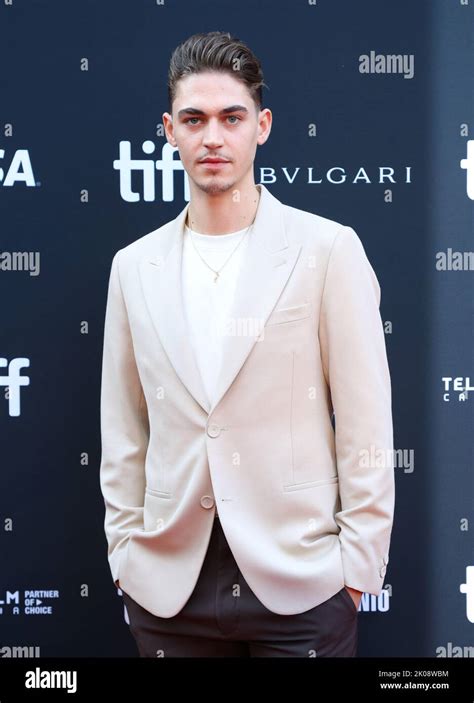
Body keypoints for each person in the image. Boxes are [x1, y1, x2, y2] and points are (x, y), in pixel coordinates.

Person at [99, 30, 395, 657]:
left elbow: (366, 426)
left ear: (261, 126)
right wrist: (125, 554)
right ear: (168, 130)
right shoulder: (133, 266)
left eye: (231, 118)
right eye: (194, 118)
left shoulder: (327, 251)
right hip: (168, 589)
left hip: (302, 584)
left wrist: (356, 568)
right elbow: (124, 430)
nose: (213, 137)